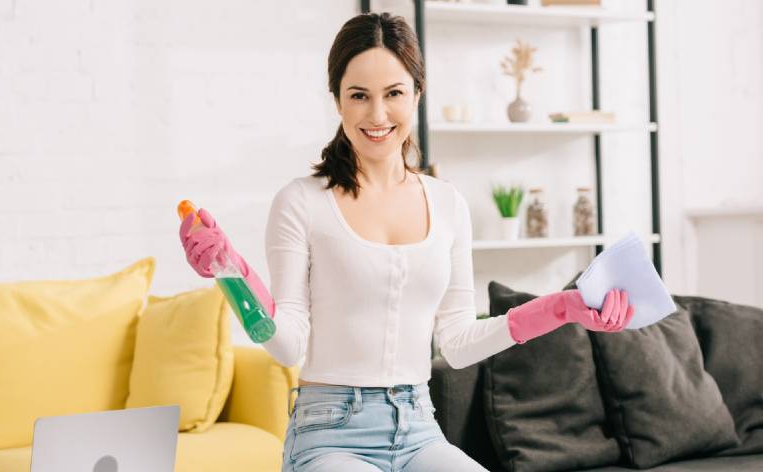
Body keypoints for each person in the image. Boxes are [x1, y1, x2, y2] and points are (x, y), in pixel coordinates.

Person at [179, 12, 634, 472]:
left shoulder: (448, 204)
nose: (377, 115)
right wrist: (229, 270)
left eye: (393, 93)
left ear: (417, 93)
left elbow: (457, 340)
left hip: (418, 428)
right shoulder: (301, 202)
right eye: (359, 96)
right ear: (337, 101)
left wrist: (564, 308)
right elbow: (287, 344)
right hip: (328, 433)